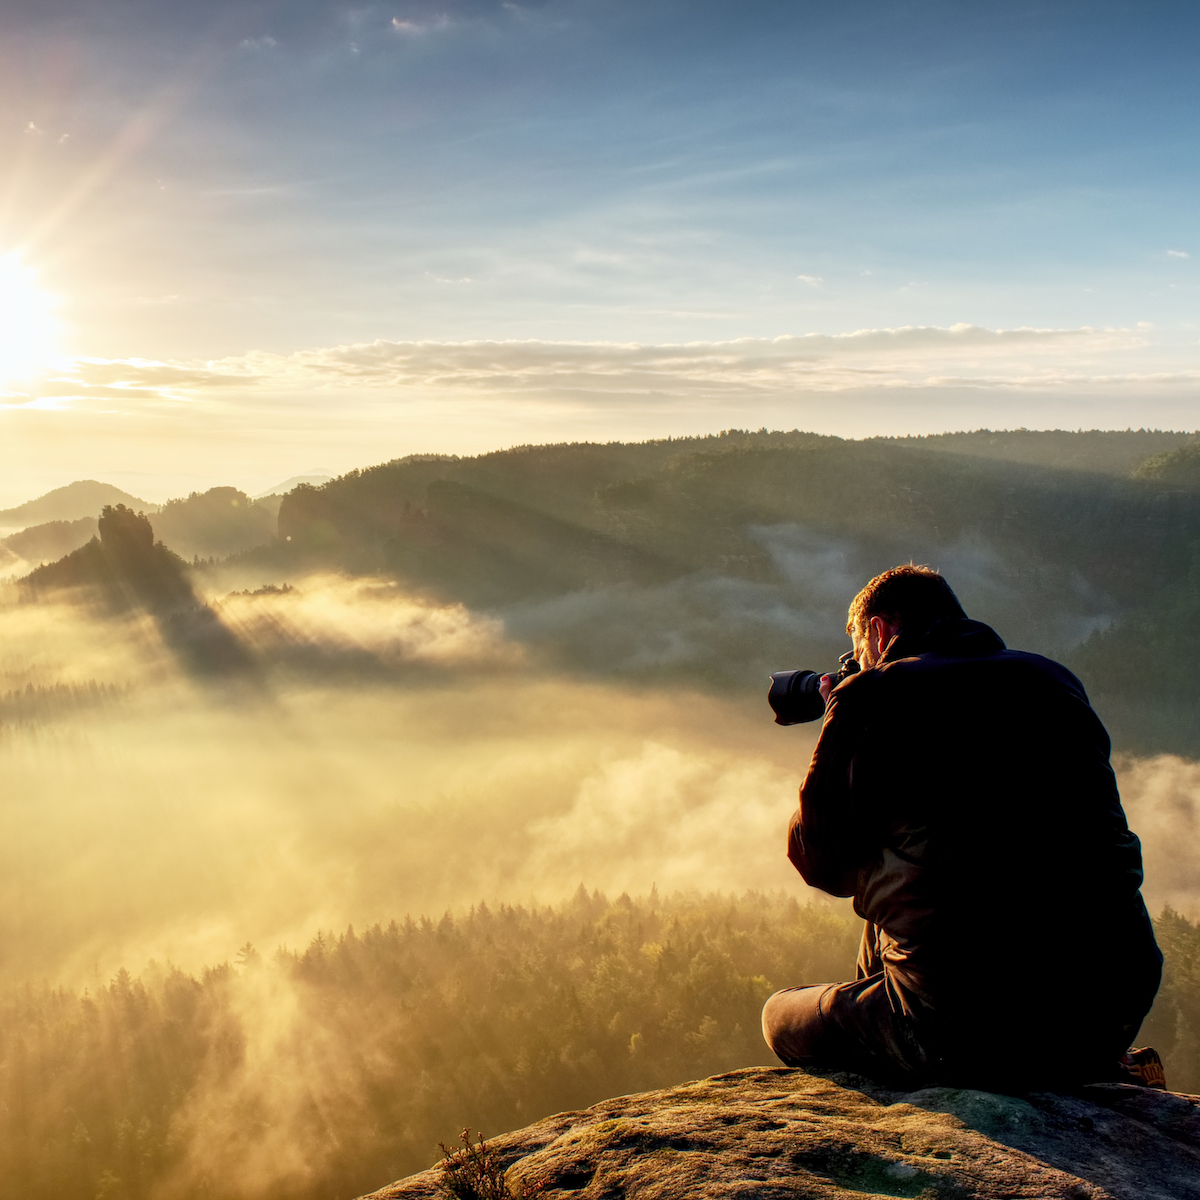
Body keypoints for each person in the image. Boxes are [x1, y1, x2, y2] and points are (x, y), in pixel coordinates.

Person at [761, 564, 1163, 1090]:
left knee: (780, 1014)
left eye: (858, 649)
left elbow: (820, 863)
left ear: (879, 632)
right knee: (918, 878)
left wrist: (844, 714)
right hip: (1111, 1007)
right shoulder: (1052, 678)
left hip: (962, 1033)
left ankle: (921, 1073)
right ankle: (1093, 1063)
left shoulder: (871, 696)